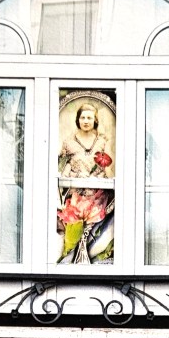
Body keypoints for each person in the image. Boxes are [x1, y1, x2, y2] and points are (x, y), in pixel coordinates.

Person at [57, 102, 114, 264]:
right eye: (83, 117)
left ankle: (89, 257)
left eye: (89, 118)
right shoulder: (69, 142)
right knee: (73, 231)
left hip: (98, 195)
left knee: (94, 231)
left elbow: (108, 169)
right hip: (75, 196)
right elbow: (62, 166)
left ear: (95, 120)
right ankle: (70, 258)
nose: (86, 121)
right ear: (78, 119)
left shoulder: (102, 142)